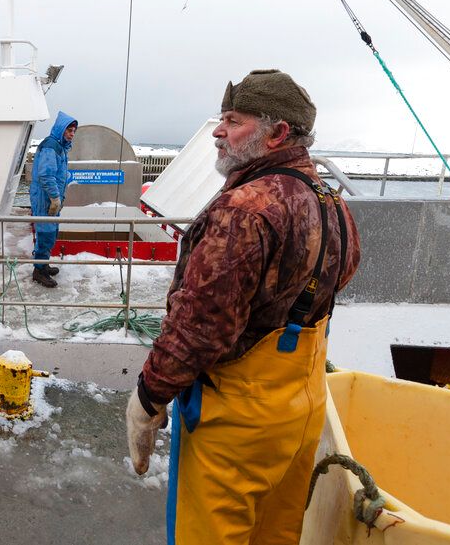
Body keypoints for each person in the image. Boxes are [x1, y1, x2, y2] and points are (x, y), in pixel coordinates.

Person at [126, 69, 361, 545]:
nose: (217, 132)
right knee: (276, 533)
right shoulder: (329, 199)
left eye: (233, 121)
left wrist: (149, 396)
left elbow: (201, 325)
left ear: (277, 133)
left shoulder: (244, 208)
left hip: (241, 419)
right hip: (301, 406)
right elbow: (343, 272)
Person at [29, 111, 77, 287]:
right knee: (46, 232)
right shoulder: (52, 146)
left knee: (51, 231)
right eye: (69, 130)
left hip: (50, 198)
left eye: (73, 131)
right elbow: (46, 175)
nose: (72, 134)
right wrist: (55, 198)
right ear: (60, 129)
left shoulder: (59, 146)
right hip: (45, 198)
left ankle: (43, 263)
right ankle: (39, 271)